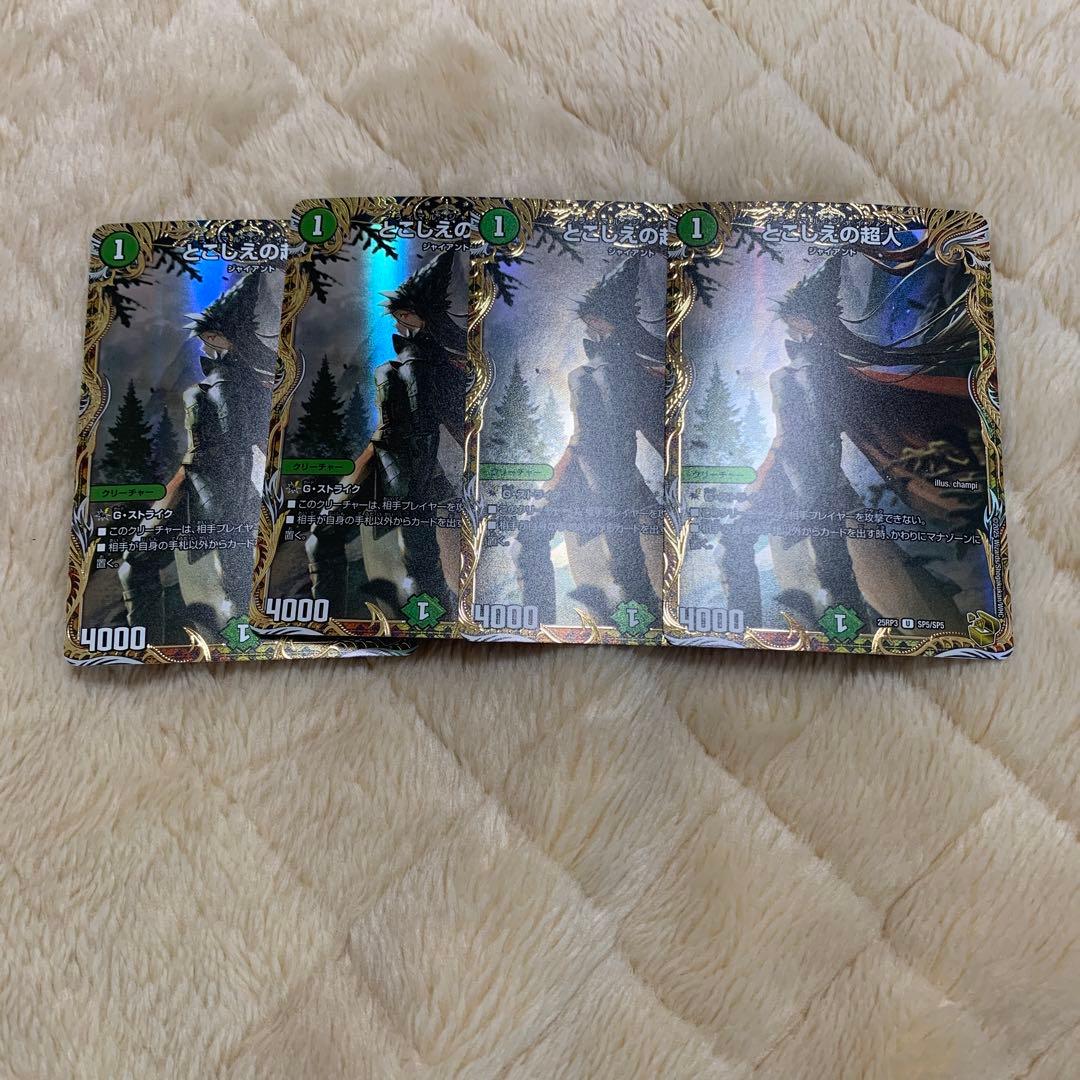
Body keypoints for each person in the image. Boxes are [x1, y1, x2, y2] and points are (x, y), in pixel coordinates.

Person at [305, 248, 468, 614]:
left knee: (422, 562)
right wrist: (357, 471)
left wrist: (467, 477)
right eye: (398, 314)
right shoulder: (394, 368)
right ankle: (325, 619)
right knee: (323, 535)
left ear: (421, 315)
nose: (398, 320)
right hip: (380, 459)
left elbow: (458, 428)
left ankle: (438, 622)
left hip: (417, 474)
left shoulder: (439, 371)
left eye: (405, 314)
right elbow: (385, 428)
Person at [118, 272, 276, 641]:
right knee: (146, 563)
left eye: (213, 336)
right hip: (206, 487)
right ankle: (161, 637)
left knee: (222, 576)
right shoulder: (227, 387)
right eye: (207, 336)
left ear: (229, 339)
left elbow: (231, 447)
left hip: (217, 491)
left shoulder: (228, 389)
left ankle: (211, 637)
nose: (206, 343)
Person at [517, 256, 665, 624]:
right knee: (531, 536)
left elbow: (639, 429)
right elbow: (584, 434)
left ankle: (639, 624)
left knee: (625, 561)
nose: (590, 326)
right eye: (589, 320)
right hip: (586, 470)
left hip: (614, 477)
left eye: (595, 319)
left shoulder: (628, 373)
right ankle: (536, 627)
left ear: (607, 320)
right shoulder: (588, 373)